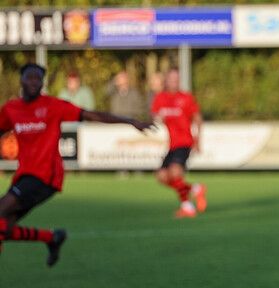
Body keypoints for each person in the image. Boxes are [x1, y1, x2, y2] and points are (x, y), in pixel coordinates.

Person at [0, 63, 152, 265]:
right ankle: (52, 238)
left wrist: (130, 121)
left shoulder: (53, 106)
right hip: (24, 176)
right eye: (30, 77)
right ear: (22, 80)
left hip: (46, 176)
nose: (34, 81)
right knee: (5, 228)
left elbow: (92, 115)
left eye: (39, 78)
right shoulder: (12, 109)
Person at [150, 68, 206, 218]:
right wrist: (157, 118)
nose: (175, 82)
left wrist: (198, 140)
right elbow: (155, 116)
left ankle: (187, 206)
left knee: (175, 173)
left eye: (177, 79)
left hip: (185, 142)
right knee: (162, 176)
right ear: (166, 80)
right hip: (172, 145)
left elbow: (198, 119)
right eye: (172, 79)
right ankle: (195, 189)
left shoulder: (186, 98)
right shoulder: (160, 98)